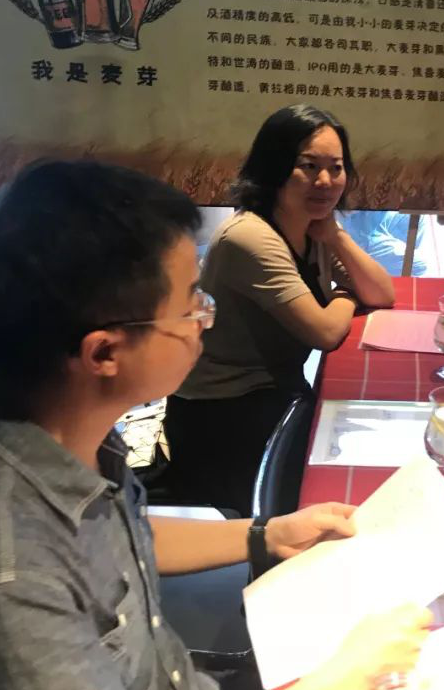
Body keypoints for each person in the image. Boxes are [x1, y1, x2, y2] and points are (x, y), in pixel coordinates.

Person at [0, 160, 431, 690]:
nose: (206, 318)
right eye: (191, 303)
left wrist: (267, 533)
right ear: (104, 353)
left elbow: (120, 533)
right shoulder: (8, 576)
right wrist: (346, 679)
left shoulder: (63, 432)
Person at [165, 105, 395, 515]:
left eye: (336, 168)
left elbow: (381, 293)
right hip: (224, 412)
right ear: (273, 168)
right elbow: (324, 333)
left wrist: (336, 237)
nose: (325, 181)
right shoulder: (250, 238)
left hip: (275, 391)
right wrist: (344, 296)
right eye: (308, 166)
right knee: (323, 493)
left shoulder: (312, 225)